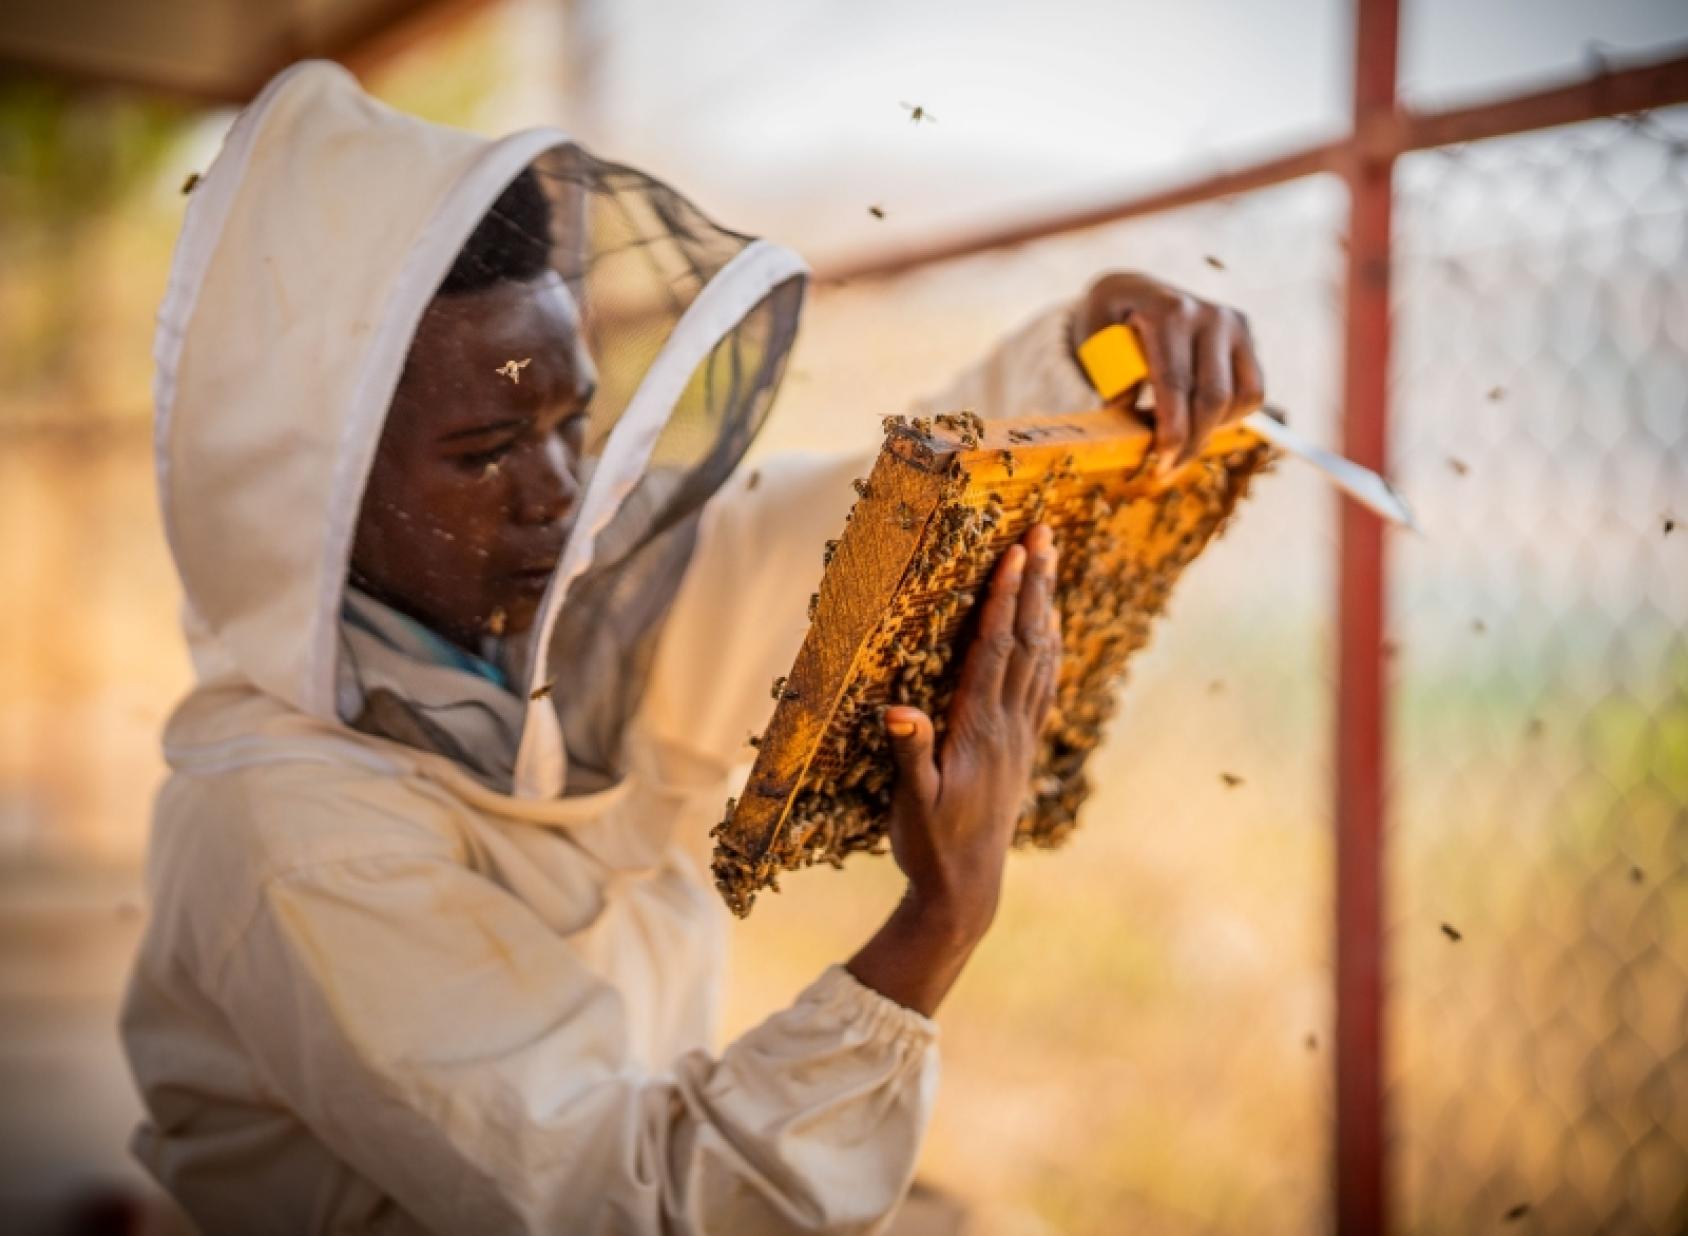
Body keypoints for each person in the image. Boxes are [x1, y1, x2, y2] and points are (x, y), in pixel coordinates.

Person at [122, 61, 1263, 1235]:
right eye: (484, 451)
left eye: (572, 423)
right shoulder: (289, 836)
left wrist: (1094, 345)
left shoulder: (554, 602)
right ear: (319, 491)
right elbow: (648, 1207)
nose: (556, 496)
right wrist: (940, 922)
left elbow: (869, 536)